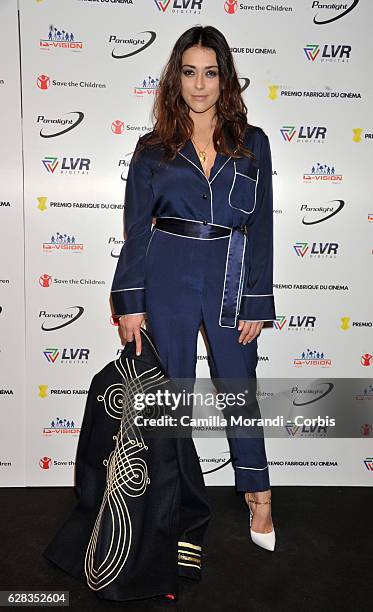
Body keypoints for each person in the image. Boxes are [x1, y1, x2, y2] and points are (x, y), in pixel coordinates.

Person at [111, 25, 276, 551]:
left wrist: (256, 298)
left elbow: (262, 227)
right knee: (170, 393)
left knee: (238, 388)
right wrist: (131, 301)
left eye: (210, 72)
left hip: (230, 272)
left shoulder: (253, 143)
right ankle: (170, 500)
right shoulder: (152, 148)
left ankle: (259, 491)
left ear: (224, 78)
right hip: (168, 272)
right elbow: (137, 229)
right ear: (175, 78)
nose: (199, 85)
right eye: (189, 72)